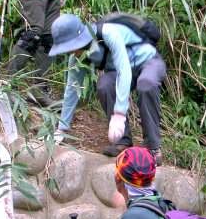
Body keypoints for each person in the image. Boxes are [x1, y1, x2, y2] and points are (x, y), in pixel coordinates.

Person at [49, 13, 166, 162]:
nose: (68, 51)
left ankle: (153, 148)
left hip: (148, 62)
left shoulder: (108, 33)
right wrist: (62, 128)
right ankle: (123, 141)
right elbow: (72, 90)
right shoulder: (77, 57)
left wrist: (119, 114)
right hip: (122, 70)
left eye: (68, 46)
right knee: (104, 85)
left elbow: (124, 71)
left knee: (146, 84)